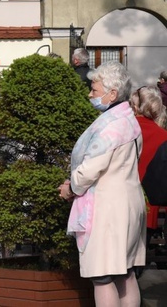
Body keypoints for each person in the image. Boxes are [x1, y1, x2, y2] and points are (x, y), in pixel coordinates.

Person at [58, 62, 145, 306]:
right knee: (125, 272)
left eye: (94, 90)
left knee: (103, 275)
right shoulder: (129, 120)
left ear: (112, 94)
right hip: (128, 202)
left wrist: (71, 187)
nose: (90, 94)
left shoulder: (111, 126)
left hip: (107, 209)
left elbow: (90, 168)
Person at [129, 86, 167, 242]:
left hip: (125, 197)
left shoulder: (126, 129)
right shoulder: (163, 135)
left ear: (136, 107)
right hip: (151, 203)